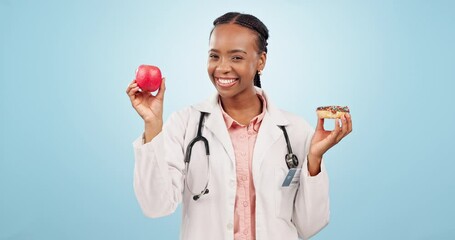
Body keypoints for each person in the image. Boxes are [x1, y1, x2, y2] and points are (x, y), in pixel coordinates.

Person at [126, 12, 352, 240]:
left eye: (236, 58)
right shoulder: (185, 124)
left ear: (260, 61)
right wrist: (153, 124)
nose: (222, 68)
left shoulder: (295, 130)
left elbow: (309, 226)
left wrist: (314, 160)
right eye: (215, 56)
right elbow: (156, 206)